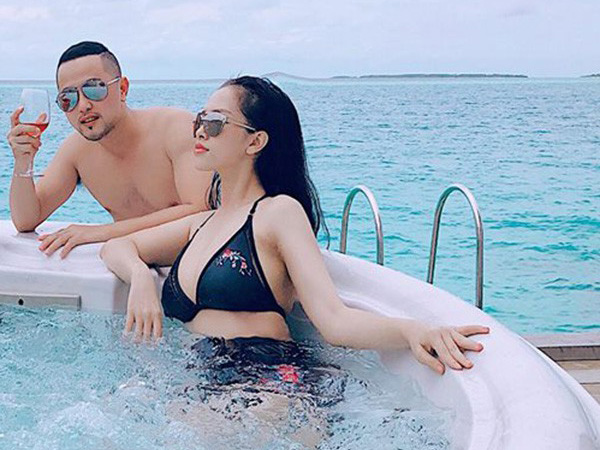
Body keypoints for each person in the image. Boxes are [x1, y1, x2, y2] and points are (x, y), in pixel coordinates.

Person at [100, 75, 488, 437]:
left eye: (216, 122)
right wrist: (140, 278)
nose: (200, 130)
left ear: (255, 142)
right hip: (199, 374)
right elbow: (117, 248)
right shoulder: (200, 224)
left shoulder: (278, 213)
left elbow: (333, 320)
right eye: (199, 119)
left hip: (265, 378)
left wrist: (413, 330)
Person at [6, 41, 212, 258]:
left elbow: (201, 210)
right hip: (132, 262)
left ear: (122, 89)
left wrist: (101, 232)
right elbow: (26, 220)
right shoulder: (76, 151)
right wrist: (23, 160)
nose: (83, 105)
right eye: (68, 99)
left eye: (94, 89)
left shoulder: (175, 128)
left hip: (198, 263)